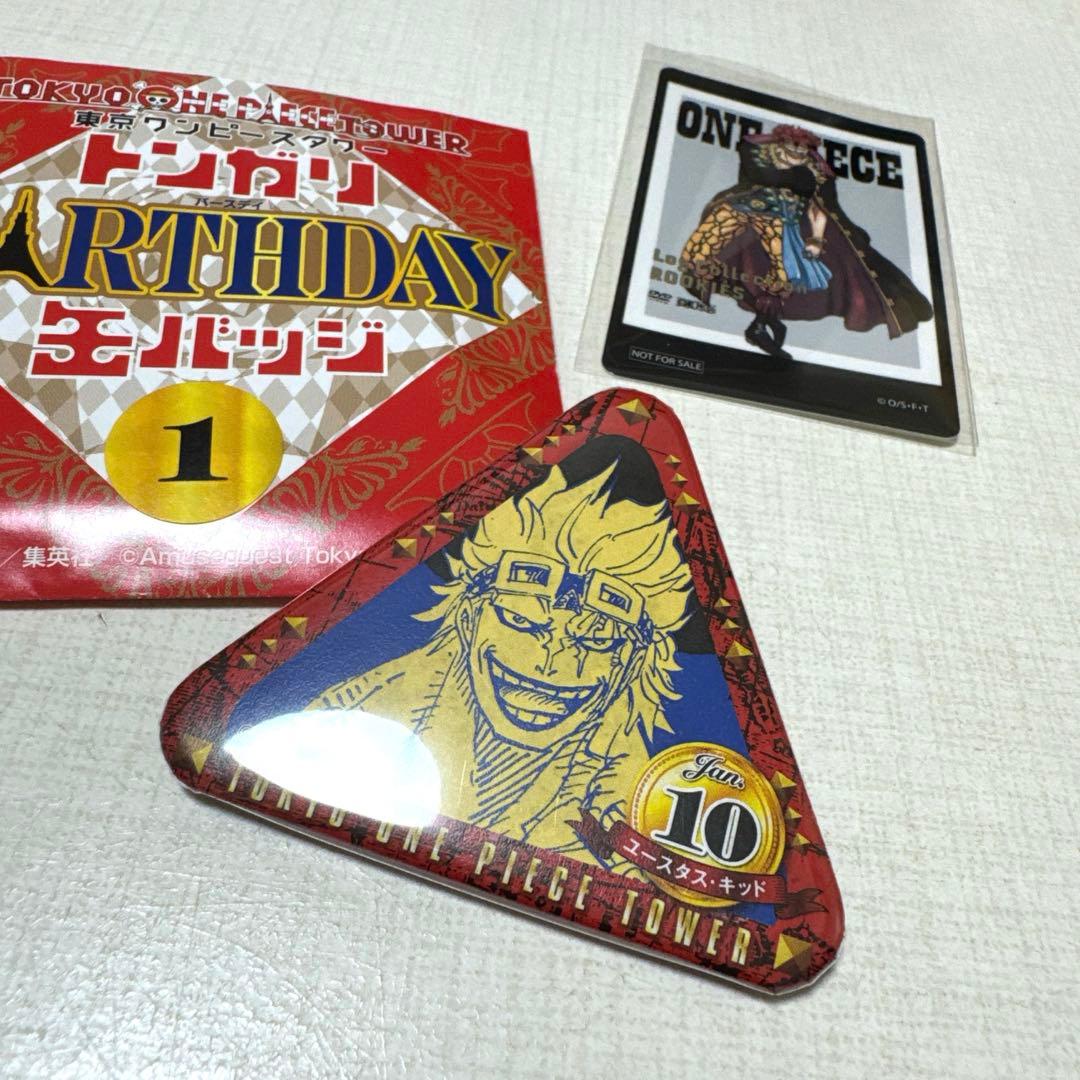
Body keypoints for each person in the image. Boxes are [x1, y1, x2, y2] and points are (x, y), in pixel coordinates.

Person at [310, 462, 693, 867]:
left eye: (596, 640)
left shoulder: (639, 802)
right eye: (521, 621)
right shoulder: (354, 711)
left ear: (631, 663)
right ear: (469, 618)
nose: (550, 663)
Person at [680, 124, 932, 359]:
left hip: (785, 223)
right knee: (703, 247)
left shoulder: (815, 172)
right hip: (746, 210)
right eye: (793, 147)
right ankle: (747, 311)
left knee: (783, 271)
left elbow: (819, 210)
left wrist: (816, 240)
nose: (798, 152)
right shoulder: (759, 155)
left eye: (803, 149)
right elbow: (756, 177)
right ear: (781, 144)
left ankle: (761, 324)